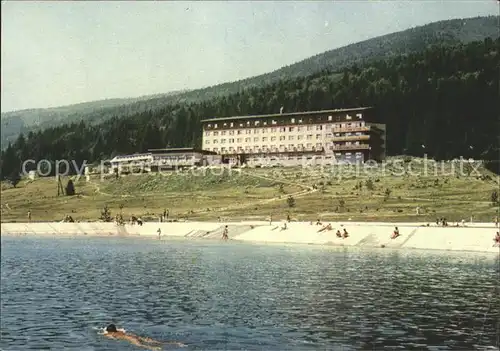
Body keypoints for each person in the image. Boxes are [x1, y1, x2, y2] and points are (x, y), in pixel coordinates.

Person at [103, 324, 185, 350]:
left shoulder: (111, 334)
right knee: (157, 342)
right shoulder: (119, 331)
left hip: (130, 338)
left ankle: (154, 349)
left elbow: (111, 337)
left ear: (110, 331)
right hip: (132, 335)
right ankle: (176, 343)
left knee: (141, 345)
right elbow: (122, 329)